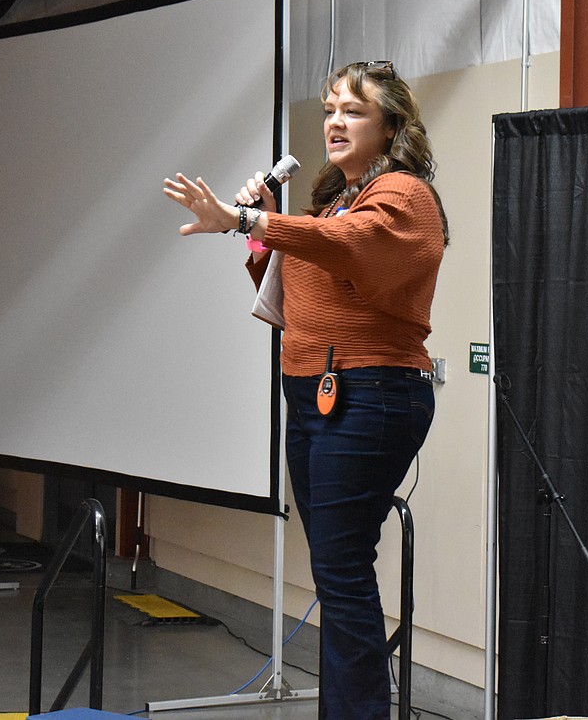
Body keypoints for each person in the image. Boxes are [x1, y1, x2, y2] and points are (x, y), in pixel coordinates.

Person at [164, 60, 448, 719]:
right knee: (335, 571)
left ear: (391, 125)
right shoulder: (332, 204)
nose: (334, 122)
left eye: (352, 110)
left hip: (371, 393)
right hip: (314, 395)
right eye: (328, 111)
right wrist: (267, 231)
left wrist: (246, 221)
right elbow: (301, 298)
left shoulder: (404, 197)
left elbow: (349, 246)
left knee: (343, 570)